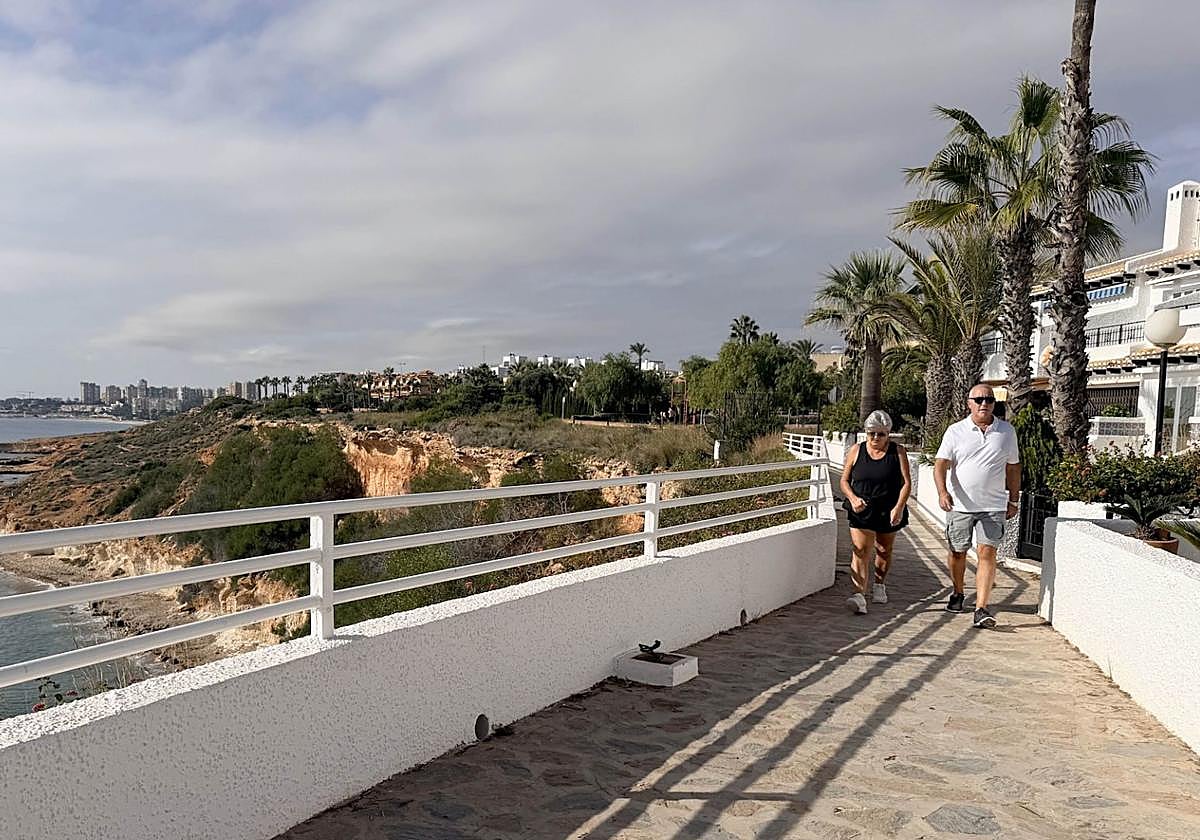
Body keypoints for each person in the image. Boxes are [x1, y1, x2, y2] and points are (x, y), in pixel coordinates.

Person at [934, 383, 1021, 628]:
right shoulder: (955, 431)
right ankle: (958, 592)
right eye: (979, 400)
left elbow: (1013, 467)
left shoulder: (1006, 431)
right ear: (969, 403)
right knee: (957, 552)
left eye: (989, 400)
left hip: (993, 506)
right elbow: (940, 464)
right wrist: (942, 492)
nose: (984, 404)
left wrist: (1014, 499)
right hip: (960, 505)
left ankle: (981, 608)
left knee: (987, 553)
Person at [839, 410, 912, 615]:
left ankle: (879, 584)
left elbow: (907, 483)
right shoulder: (856, 450)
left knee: (883, 550)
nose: (876, 438)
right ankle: (859, 596)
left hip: (888, 509)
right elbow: (844, 480)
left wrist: (898, 507)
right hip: (861, 508)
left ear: (888, 434)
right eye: (872, 433)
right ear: (866, 433)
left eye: (881, 434)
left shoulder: (898, 452)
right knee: (861, 550)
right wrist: (853, 498)